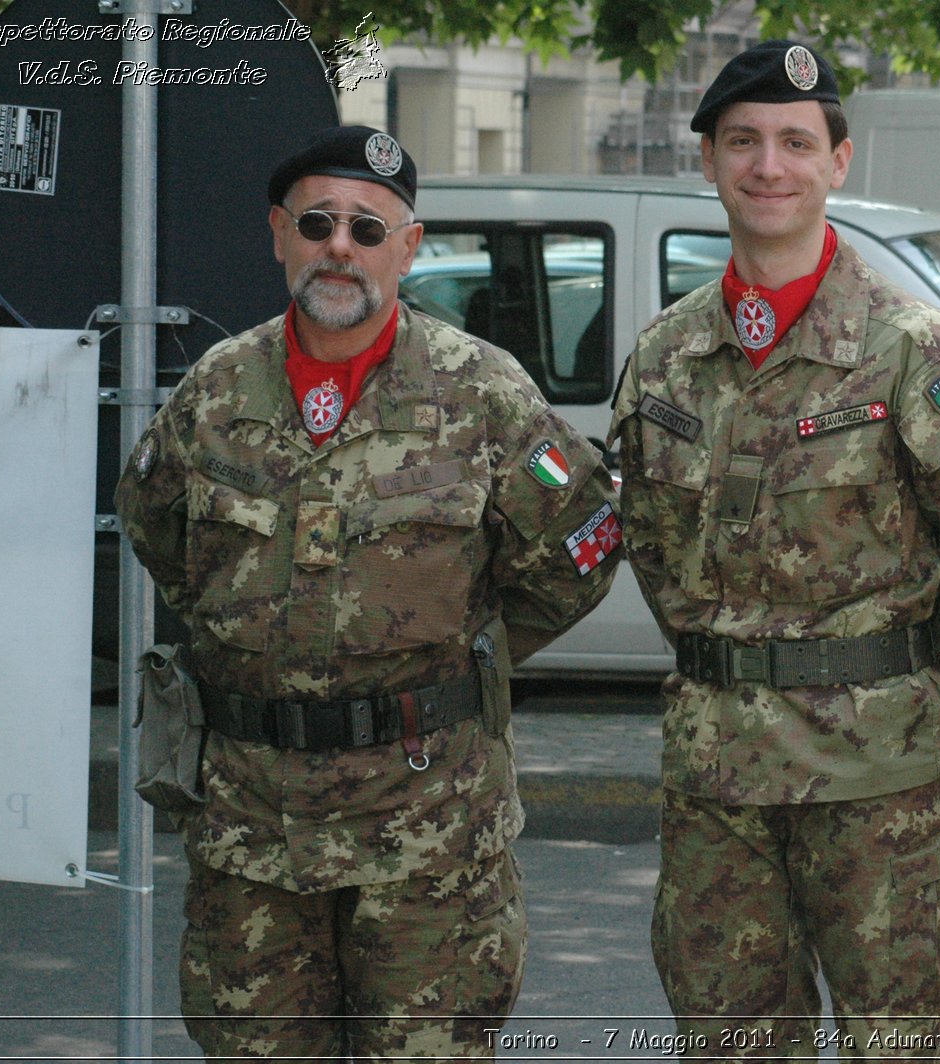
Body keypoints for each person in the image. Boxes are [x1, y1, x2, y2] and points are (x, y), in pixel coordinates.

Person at [115, 125, 621, 1058]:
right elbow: (157, 532)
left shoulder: (482, 394)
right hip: (251, 829)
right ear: (278, 234)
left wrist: (467, 655)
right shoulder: (215, 392)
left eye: (367, 226)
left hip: (427, 825)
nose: (339, 245)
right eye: (317, 222)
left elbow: (579, 551)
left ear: (409, 245)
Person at [608, 40, 940, 1060]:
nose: (767, 166)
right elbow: (659, 549)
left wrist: (894, 672)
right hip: (716, 780)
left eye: (796, 141)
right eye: (742, 141)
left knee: (895, 1041)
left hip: (879, 776)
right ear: (707, 160)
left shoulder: (911, 346)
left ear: (838, 162)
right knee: (730, 1041)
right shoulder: (667, 351)